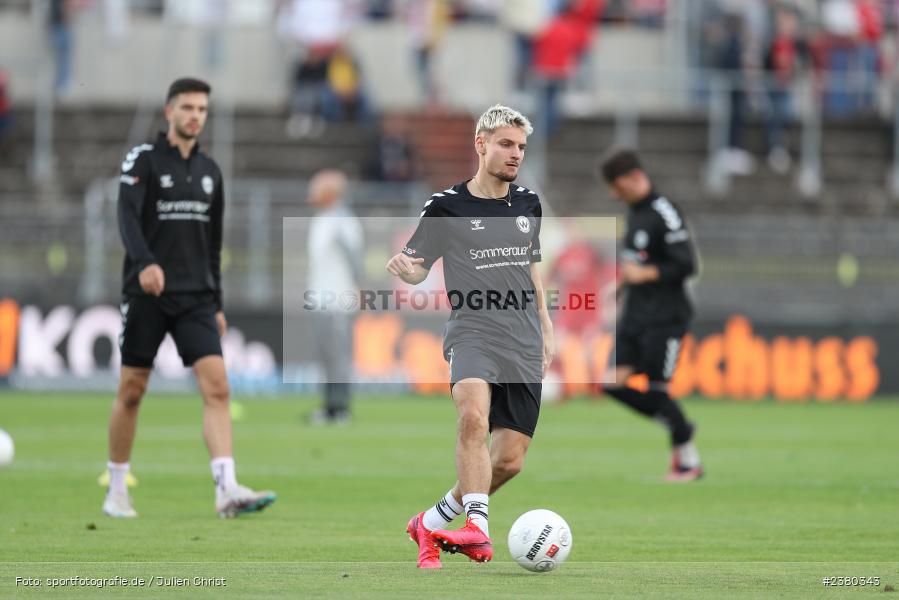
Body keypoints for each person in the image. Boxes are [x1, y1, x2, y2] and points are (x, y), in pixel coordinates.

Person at [386, 104, 554, 568]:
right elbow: (419, 268)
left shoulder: (529, 203)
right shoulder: (446, 206)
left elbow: (532, 269)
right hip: (473, 330)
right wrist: (406, 268)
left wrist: (546, 325)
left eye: (521, 147)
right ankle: (478, 530)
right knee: (473, 418)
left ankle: (431, 521)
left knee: (509, 461)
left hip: (523, 337)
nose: (516, 154)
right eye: (506, 144)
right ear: (481, 144)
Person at [104, 78, 276, 518]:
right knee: (132, 390)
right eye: (187, 108)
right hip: (148, 293)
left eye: (201, 109)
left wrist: (216, 301)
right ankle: (117, 490)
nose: (195, 115)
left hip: (196, 298)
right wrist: (145, 263)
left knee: (218, 387)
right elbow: (126, 215)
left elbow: (212, 242)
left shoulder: (210, 170)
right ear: (169, 111)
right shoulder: (143, 159)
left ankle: (226, 489)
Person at [598, 149, 703, 482]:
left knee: (658, 393)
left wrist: (645, 275)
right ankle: (681, 426)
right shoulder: (635, 212)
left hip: (665, 319)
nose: (614, 195)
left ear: (635, 177)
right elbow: (637, 261)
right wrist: (621, 285)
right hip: (635, 316)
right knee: (611, 384)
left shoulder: (664, 212)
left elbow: (687, 264)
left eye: (618, 187)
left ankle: (688, 462)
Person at [305, 169, 364, 424]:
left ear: (330, 193)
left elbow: (354, 258)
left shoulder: (343, 221)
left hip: (338, 300)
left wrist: (358, 286)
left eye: (316, 188)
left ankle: (341, 409)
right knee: (326, 357)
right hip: (320, 299)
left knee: (338, 357)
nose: (311, 193)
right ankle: (329, 407)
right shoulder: (322, 219)